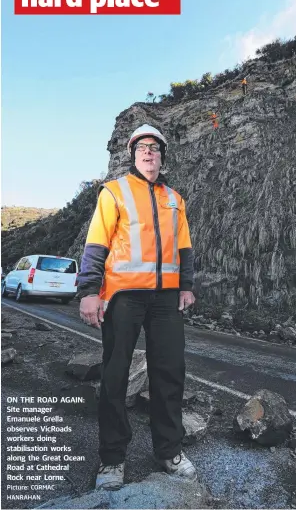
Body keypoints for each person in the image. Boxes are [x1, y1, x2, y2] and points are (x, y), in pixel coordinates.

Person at [77, 124, 197, 490]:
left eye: (155, 148)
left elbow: (184, 249)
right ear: (133, 155)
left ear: (162, 156)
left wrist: (186, 287)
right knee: (115, 376)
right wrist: (89, 291)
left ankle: (169, 450)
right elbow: (96, 244)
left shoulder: (175, 198)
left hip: (165, 300)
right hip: (124, 295)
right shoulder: (114, 192)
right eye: (142, 147)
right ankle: (112, 459)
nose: (149, 152)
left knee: (170, 373)